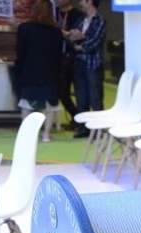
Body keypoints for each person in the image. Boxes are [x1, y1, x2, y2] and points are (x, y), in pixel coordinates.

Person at [13, 0, 63, 142]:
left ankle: (27, 134)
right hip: (49, 74)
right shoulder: (56, 32)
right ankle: (46, 134)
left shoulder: (24, 28)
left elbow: (20, 53)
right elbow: (58, 56)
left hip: (29, 72)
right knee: (50, 106)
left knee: (27, 105)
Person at [67, 0, 107, 139]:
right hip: (79, 62)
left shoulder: (100, 20)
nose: (80, 3)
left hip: (93, 64)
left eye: (82, 1)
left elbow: (95, 41)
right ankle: (83, 128)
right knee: (81, 96)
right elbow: (72, 37)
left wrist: (81, 41)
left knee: (95, 97)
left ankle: (98, 129)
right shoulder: (80, 20)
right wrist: (78, 40)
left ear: (90, 2)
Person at [54, 0, 84, 128]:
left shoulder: (78, 15)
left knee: (80, 92)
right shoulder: (52, 13)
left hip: (74, 57)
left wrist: (64, 33)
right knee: (62, 92)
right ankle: (76, 117)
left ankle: (81, 122)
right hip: (58, 57)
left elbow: (79, 36)